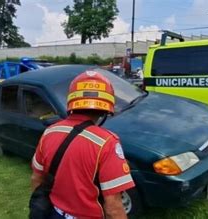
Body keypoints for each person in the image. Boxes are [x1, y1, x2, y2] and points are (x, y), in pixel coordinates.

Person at [31, 70, 135, 219]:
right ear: (106, 109)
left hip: (53, 213)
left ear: (72, 101)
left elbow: (36, 178)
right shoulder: (107, 143)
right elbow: (113, 207)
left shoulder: (50, 131)